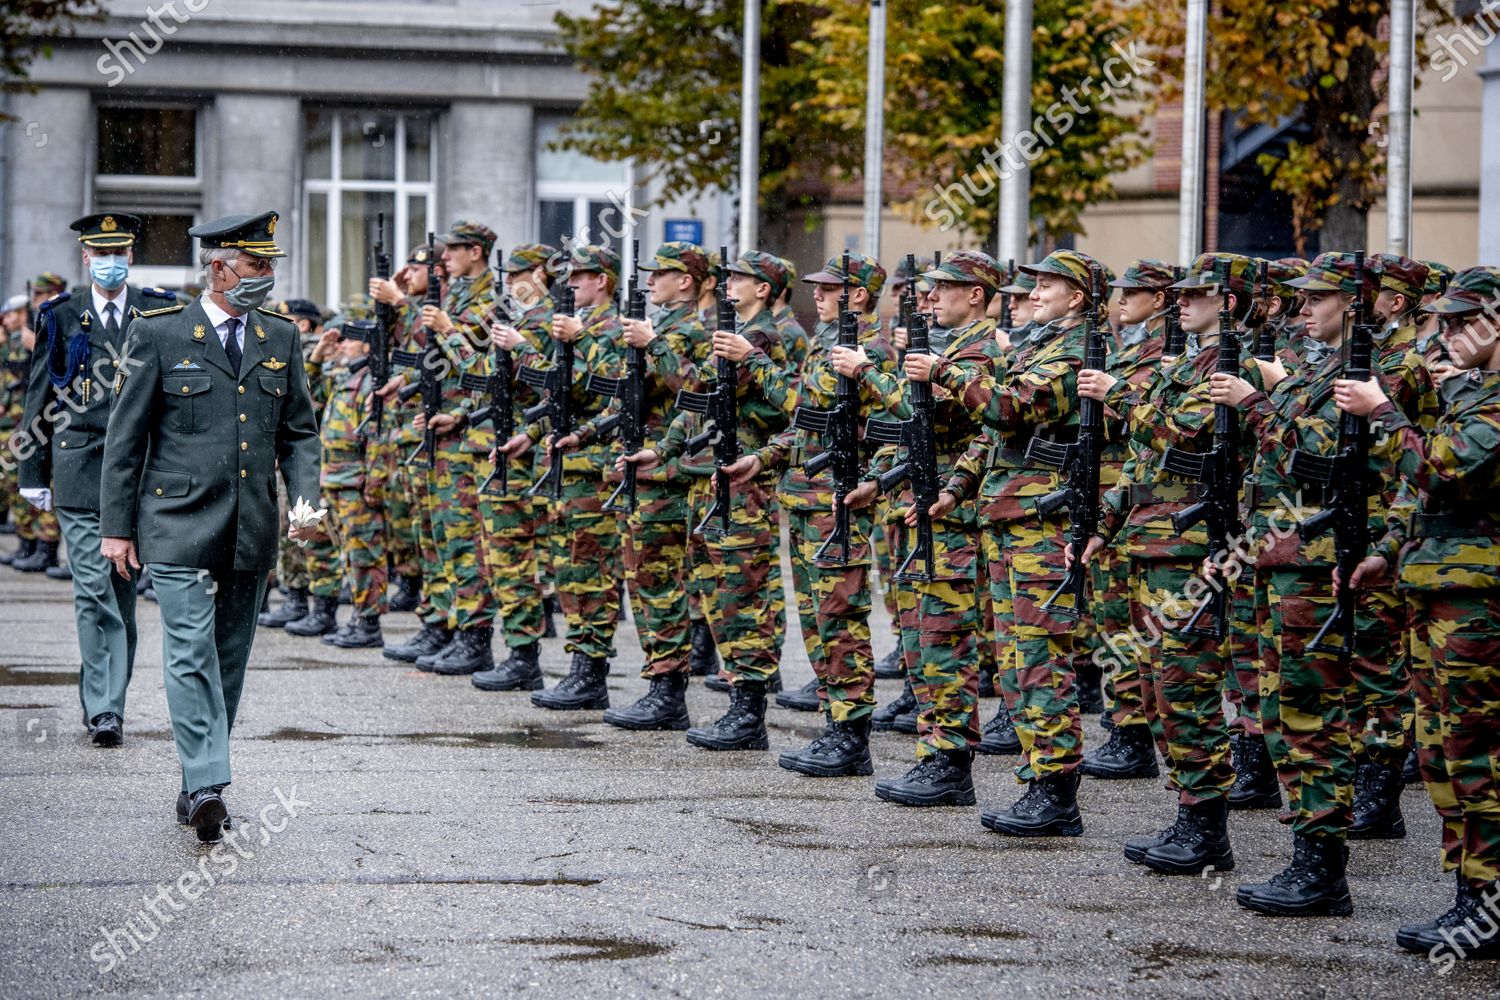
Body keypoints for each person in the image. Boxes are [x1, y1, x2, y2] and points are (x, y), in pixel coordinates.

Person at [99, 211, 323, 843]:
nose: (269, 276)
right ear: (219, 266)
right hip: (175, 522)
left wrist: (305, 503)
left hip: (249, 525)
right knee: (190, 648)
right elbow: (126, 439)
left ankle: (196, 777)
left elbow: (299, 433)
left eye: (271, 265)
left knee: (229, 657)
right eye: (258, 265)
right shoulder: (163, 334)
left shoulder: (279, 338)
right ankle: (207, 783)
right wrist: (117, 528)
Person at [1333, 264, 1500, 959]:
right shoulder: (1468, 395)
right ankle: (1468, 894)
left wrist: (1384, 413)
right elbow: (1422, 499)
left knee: (1477, 752)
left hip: (1477, 603)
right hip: (1434, 592)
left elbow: (1440, 469)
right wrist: (1389, 550)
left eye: (1466, 322)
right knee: (1439, 749)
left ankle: (1488, 903)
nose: (1450, 334)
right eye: (1445, 322)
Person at [937, 249, 1101, 836]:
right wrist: (957, 487)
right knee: (1013, 658)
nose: (1032, 293)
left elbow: (1010, 408)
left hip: (1042, 522)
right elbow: (989, 434)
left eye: (1046, 286)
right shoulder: (1035, 346)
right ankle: (1038, 780)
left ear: (1076, 297)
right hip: (1006, 517)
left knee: (1040, 656)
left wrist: (945, 372)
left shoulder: (1076, 352)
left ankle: (1057, 791)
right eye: (1033, 285)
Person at [848, 250, 1007, 805]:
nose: (931, 297)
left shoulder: (982, 351)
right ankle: (933, 752)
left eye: (944, 289)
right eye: (930, 289)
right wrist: (878, 480)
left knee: (944, 637)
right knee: (918, 638)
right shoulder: (948, 348)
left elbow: (931, 416)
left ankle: (951, 762)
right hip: (916, 506)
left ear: (977, 296)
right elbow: (905, 430)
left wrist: (869, 373)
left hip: (949, 514)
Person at [17, 212, 175, 746]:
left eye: (119, 253)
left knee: (122, 588)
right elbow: (40, 392)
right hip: (82, 469)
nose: (109, 262)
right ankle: (105, 708)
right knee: (93, 586)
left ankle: (109, 698)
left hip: (141, 471)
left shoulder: (156, 309)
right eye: (99, 254)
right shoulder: (62, 315)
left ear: (130, 257)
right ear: (86, 258)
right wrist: (31, 469)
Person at [625, 250, 791, 751]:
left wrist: (656, 345)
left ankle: (749, 710)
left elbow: (692, 383)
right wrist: (665, 448)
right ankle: (735, 704)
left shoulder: (759, 338)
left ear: (763, 288)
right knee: (718, 594)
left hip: (741, 478)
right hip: (710, 475)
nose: (728, 283)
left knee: (741, 593)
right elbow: (696, 404)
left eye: (739, 277)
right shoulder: (732, 335)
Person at [500, 243, 625, 708]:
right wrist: (533, 432)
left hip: (592, 469)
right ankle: (580, 665)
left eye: (581, 276)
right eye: (568, 275)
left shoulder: (610, 328)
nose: (570, 283)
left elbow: (613, 387)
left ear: (603, 280)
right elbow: (559, 393)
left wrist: (570, 342)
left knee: (591, 570)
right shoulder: (581, 325)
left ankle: (592, 670)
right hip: (562, 463)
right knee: (569, 569)